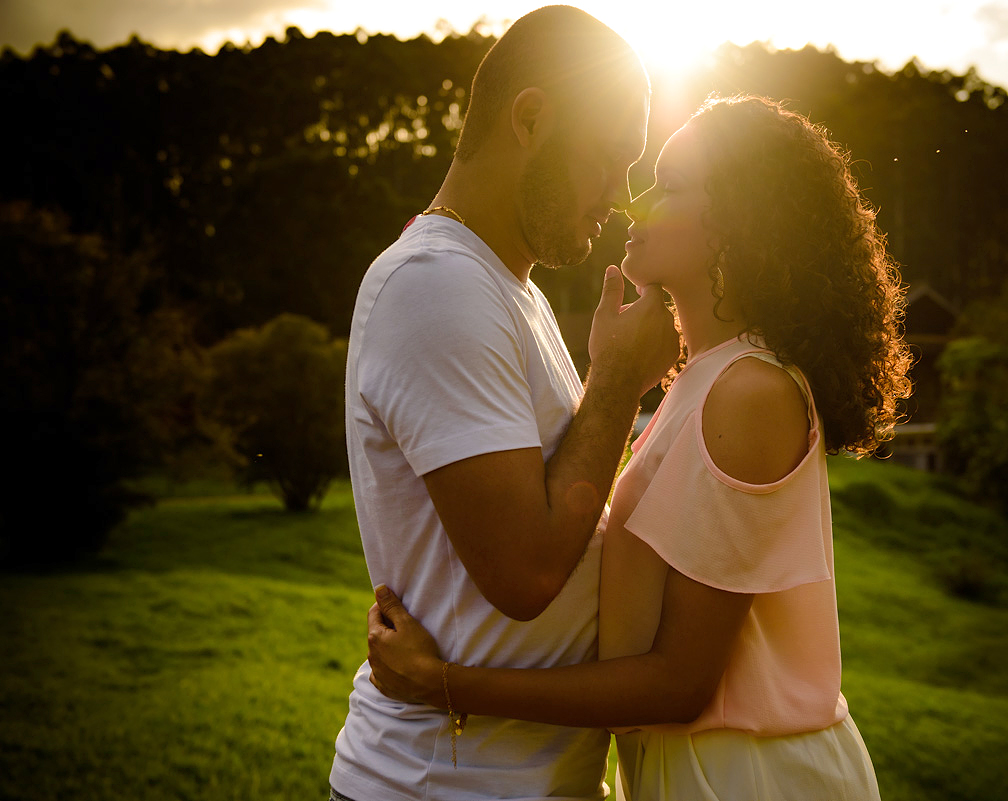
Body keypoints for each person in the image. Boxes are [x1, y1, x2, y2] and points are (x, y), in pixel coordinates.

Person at [366, 94, 912, 800]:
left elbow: (679, 682)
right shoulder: (703, 379)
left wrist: (447, 684)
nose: (634, 205)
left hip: (750, 776)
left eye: (669, 184)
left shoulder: (751, 393)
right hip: (694, 770)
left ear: (738, 223)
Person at [329, 6, 680, 801]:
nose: (620, 197)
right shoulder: (437, 284)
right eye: (611, 159)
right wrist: (617, 379)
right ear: (530, 118)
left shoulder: (505, 289)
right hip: (441, 785)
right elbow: (524, 573)